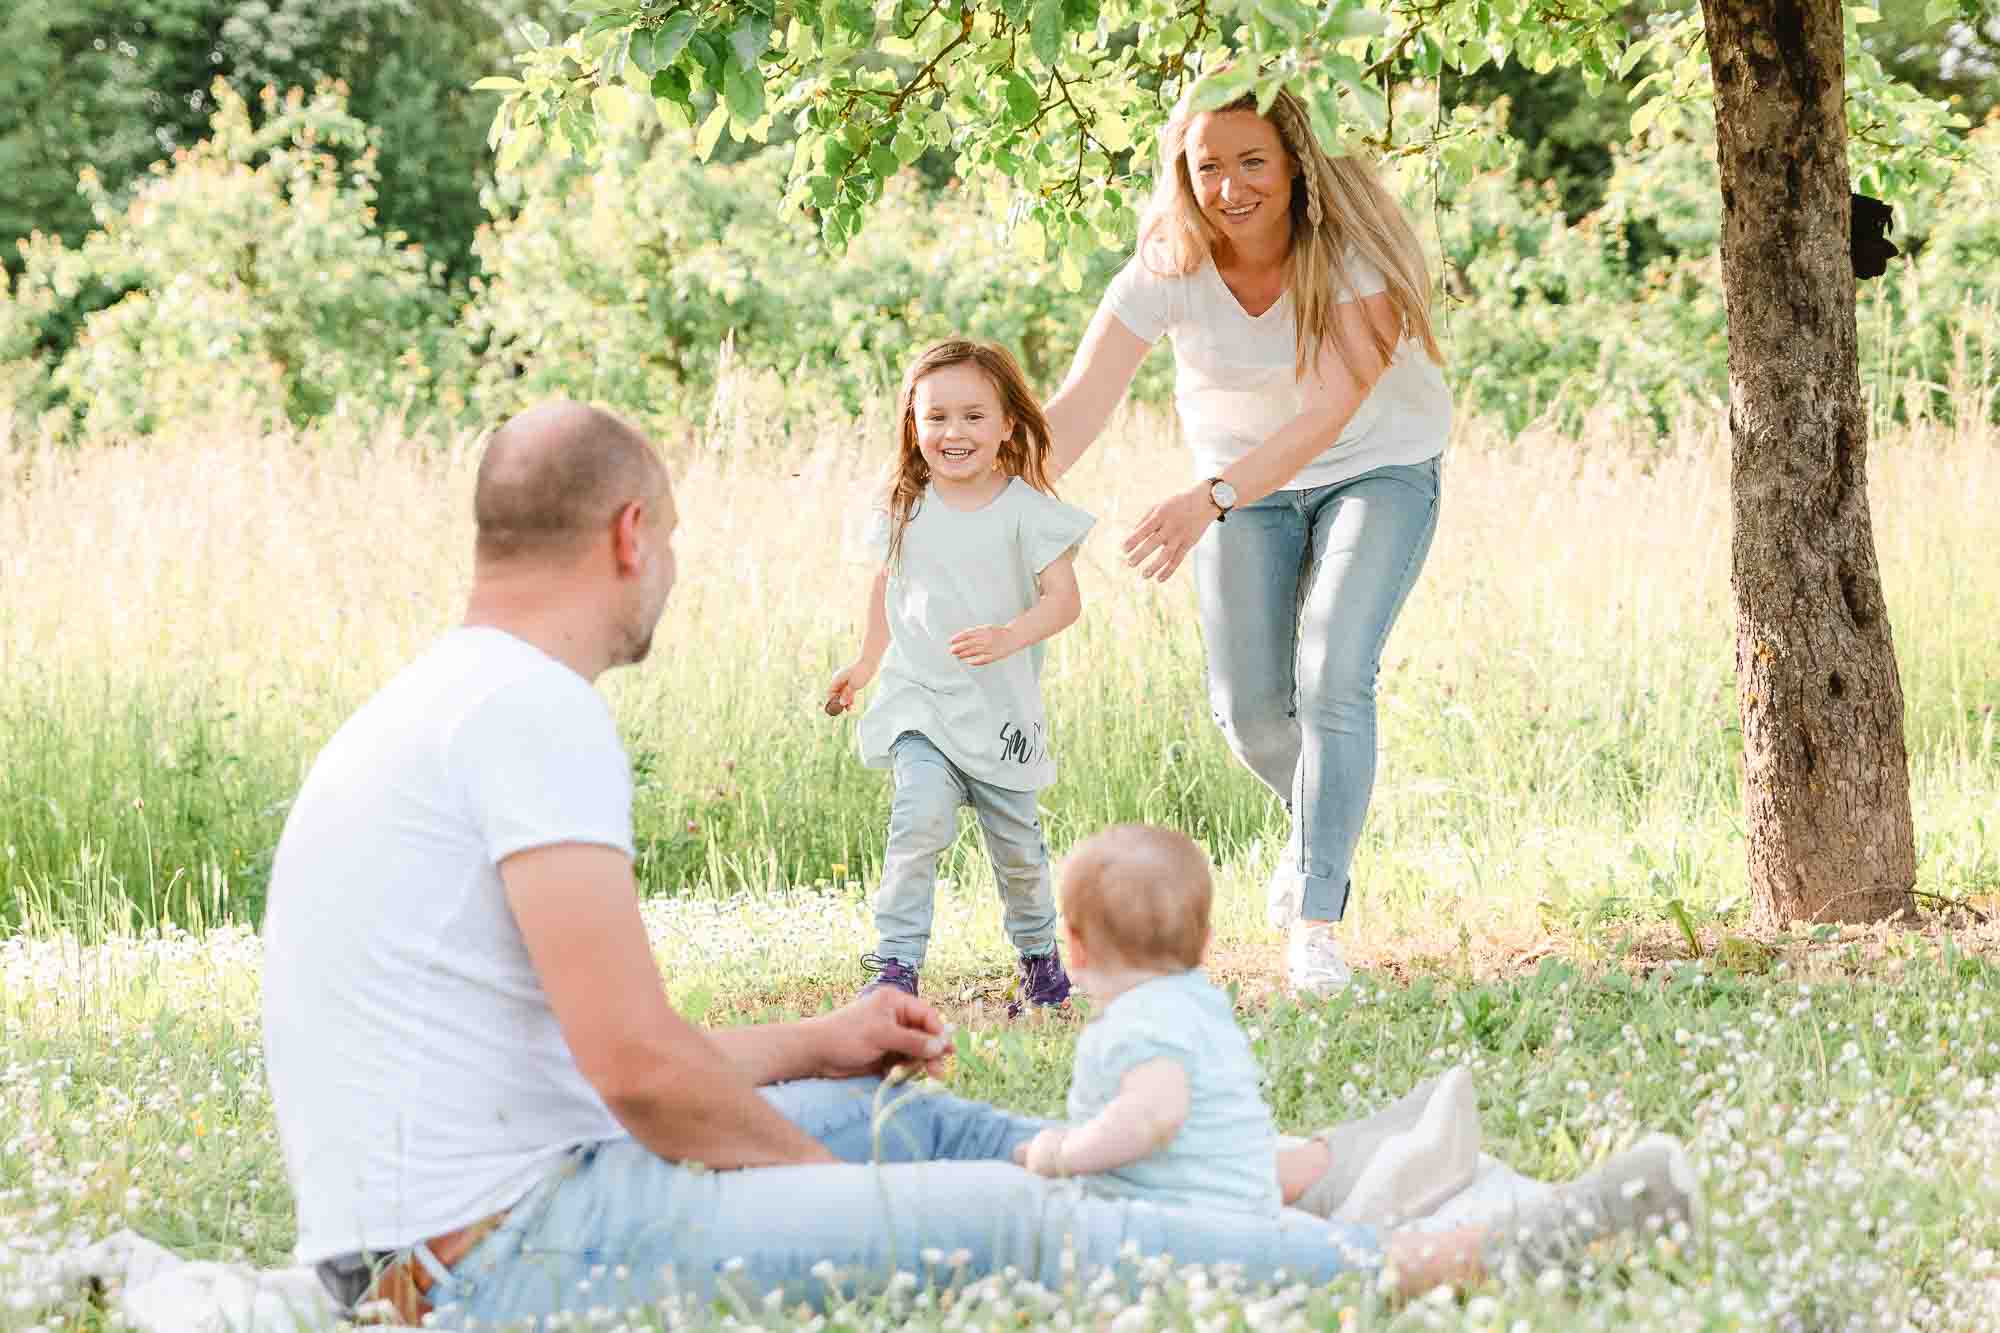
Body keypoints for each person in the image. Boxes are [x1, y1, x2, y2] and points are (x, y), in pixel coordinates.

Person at [260, 401, 1700, 1329]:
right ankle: (1426, 1257)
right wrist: (807, 1169)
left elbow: (587, 1051)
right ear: (630, 535)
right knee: (1017, 1210)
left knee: (933, 1129)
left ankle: (1296, 1177)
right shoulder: (534, 714)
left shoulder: (444, 699)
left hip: (511, 1199)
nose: (675, 574)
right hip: (483, 1265)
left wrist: (822, 1043)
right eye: (677, 543)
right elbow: (637, 1070)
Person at [1043, 76, 1453, 994]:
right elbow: (1077, 408)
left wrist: (1205, 499)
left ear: (1295, 163)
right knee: (1251, 709)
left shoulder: (1348, 252)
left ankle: (1314, 922)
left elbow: (1327, 415)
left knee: (1333, 671)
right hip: (1242, 490)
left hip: (1375, 468)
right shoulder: (1166, 267)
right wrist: (984, 497)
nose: (1231, 187)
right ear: (1183, 176)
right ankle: (1321, 826)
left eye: (1252, 161)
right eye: (1209, 167)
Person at [1016, 823, 1481, 1227]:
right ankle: (1384, 1146)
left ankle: (1386, 1179)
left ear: (1074, 949)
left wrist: (1065, 1153)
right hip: (1242, 1177)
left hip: (1189, 1212)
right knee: (1282, 1163)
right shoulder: (1199, 1001)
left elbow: (1153, 1114)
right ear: (1205, 945)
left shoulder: (1139, 1021)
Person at [825, 339, 1093, 1012]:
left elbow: (1065, 599)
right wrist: (865, 663)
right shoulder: (903, 509)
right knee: (915, 823)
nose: (954, 432)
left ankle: (1039, 962)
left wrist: (1009, 635)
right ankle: (895, 964)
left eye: (974, 416)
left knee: (1021, 859)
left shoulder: (1027, 510)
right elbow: (888, 589)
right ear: (913, 427)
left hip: (1001, 714)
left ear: (1008, 423)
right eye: (936, 416)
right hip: (922, 703)